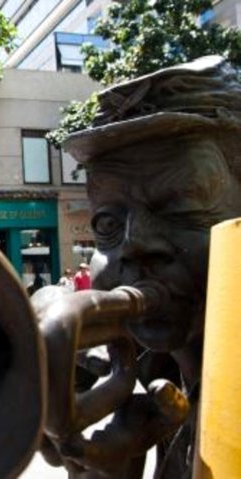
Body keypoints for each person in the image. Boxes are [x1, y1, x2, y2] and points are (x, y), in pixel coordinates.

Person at [45, 55, 241, 478]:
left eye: (183, 203)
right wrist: (106, 468)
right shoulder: (157, 372)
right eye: (109, 223)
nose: (133, 244)